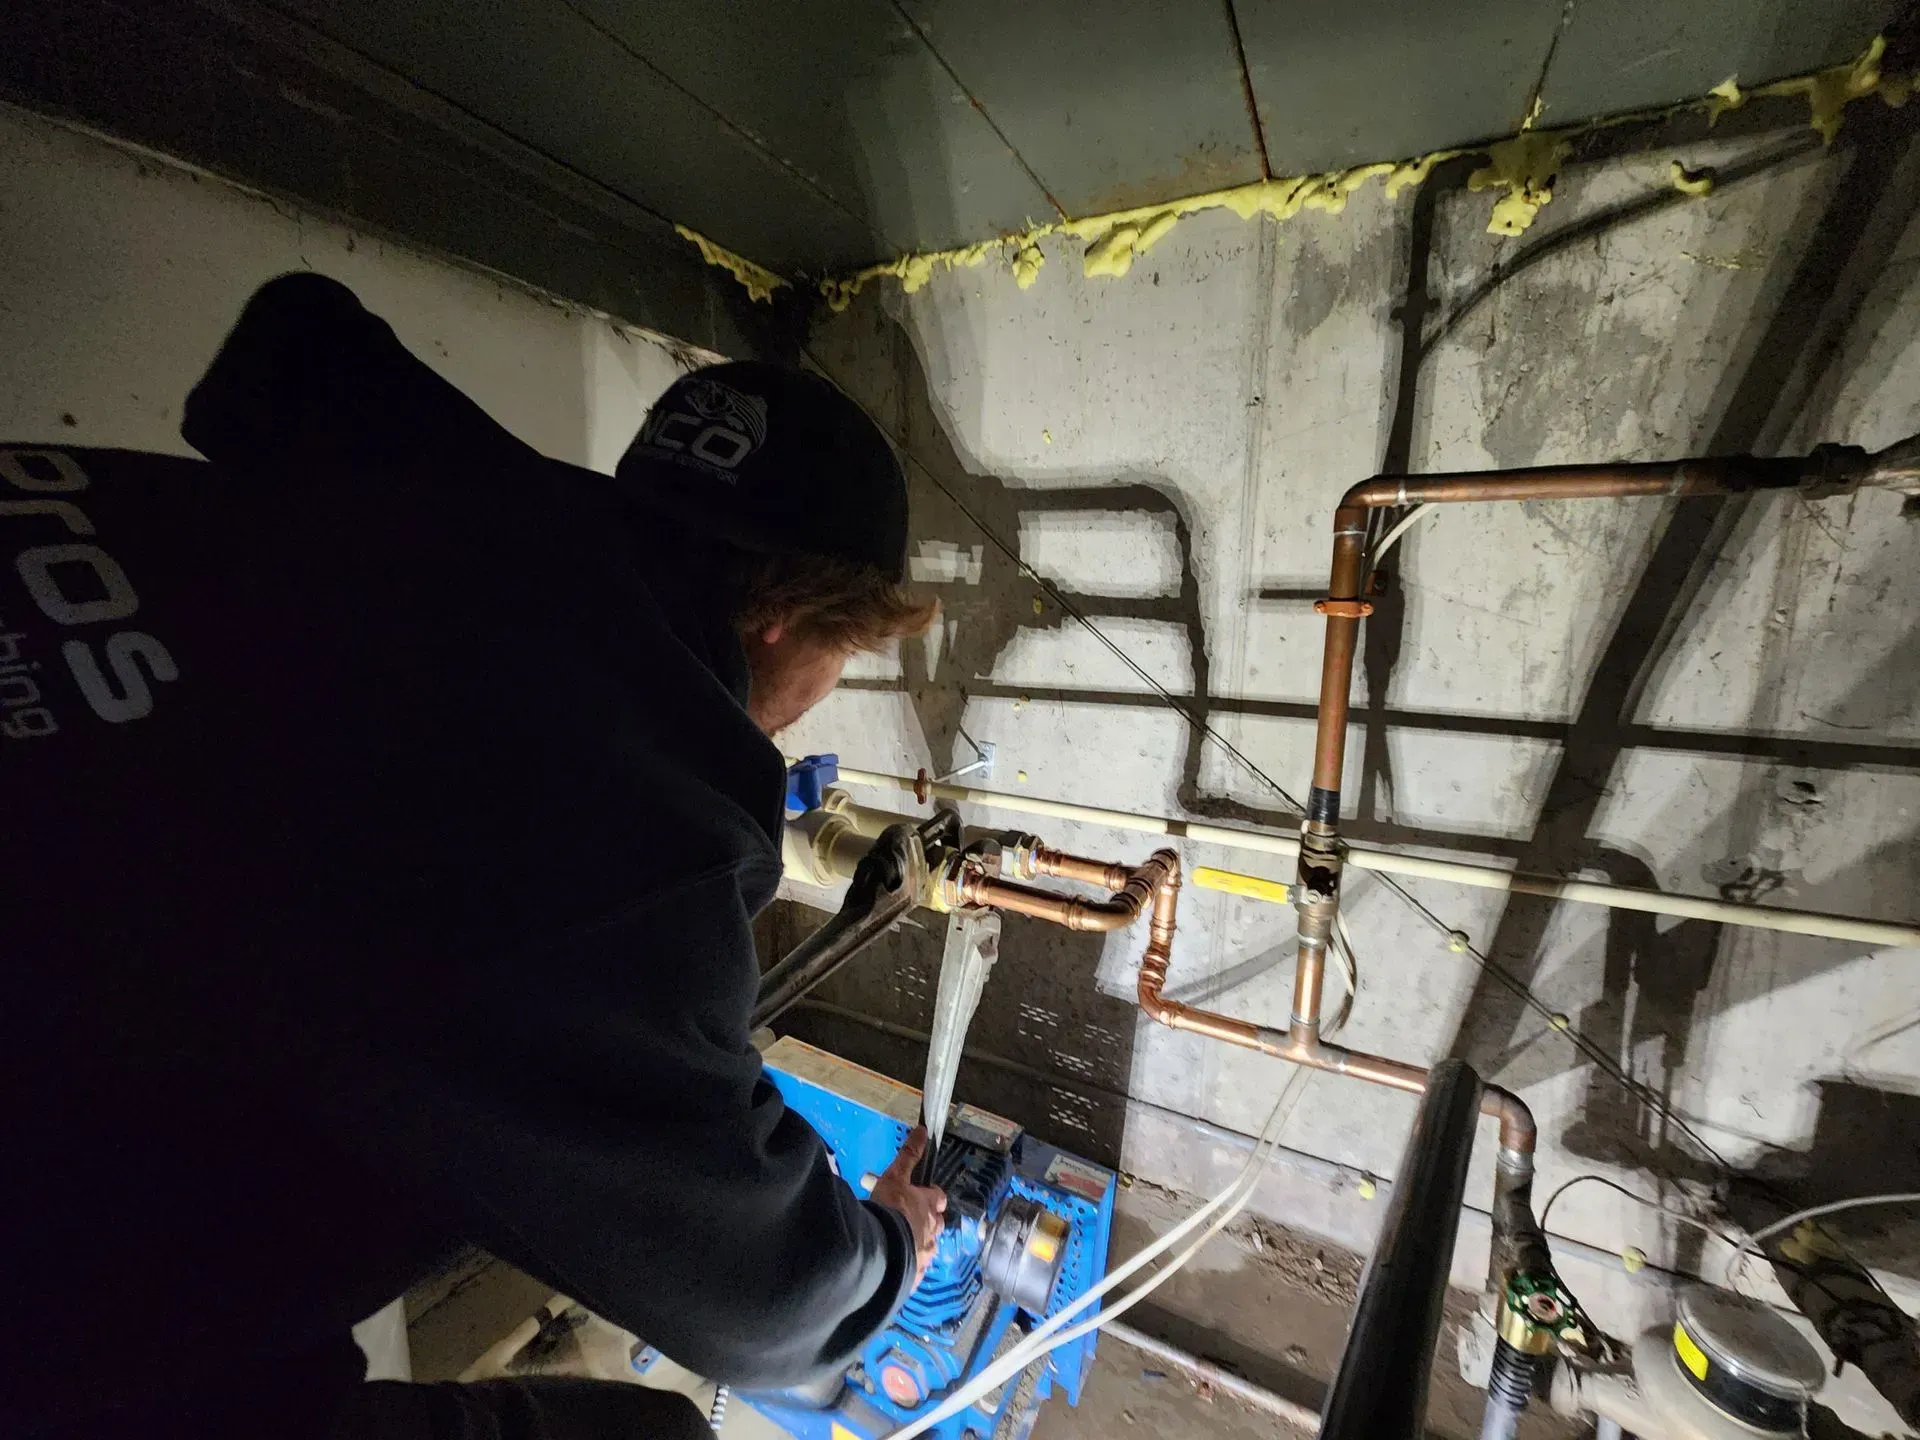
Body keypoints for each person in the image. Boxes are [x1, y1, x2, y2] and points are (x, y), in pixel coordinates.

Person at [1, 273, 948, 1438]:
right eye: (841, 661)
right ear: (784, 624)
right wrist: (890, 1249)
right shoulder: (603, 798)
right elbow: (764, 1297)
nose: (815, 703)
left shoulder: (401, 536)